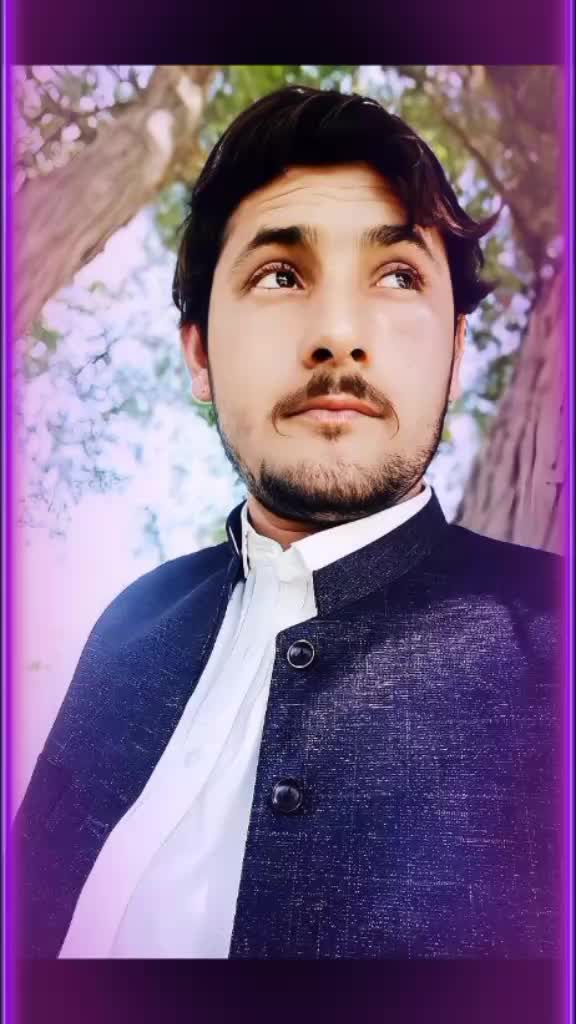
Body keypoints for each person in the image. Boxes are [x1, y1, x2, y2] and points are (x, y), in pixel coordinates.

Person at [16, 86, 562, 960]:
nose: (338, 334)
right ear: (200, 354)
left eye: (398, 276)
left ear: (458, 351)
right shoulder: (127, 623)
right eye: (280, 275)